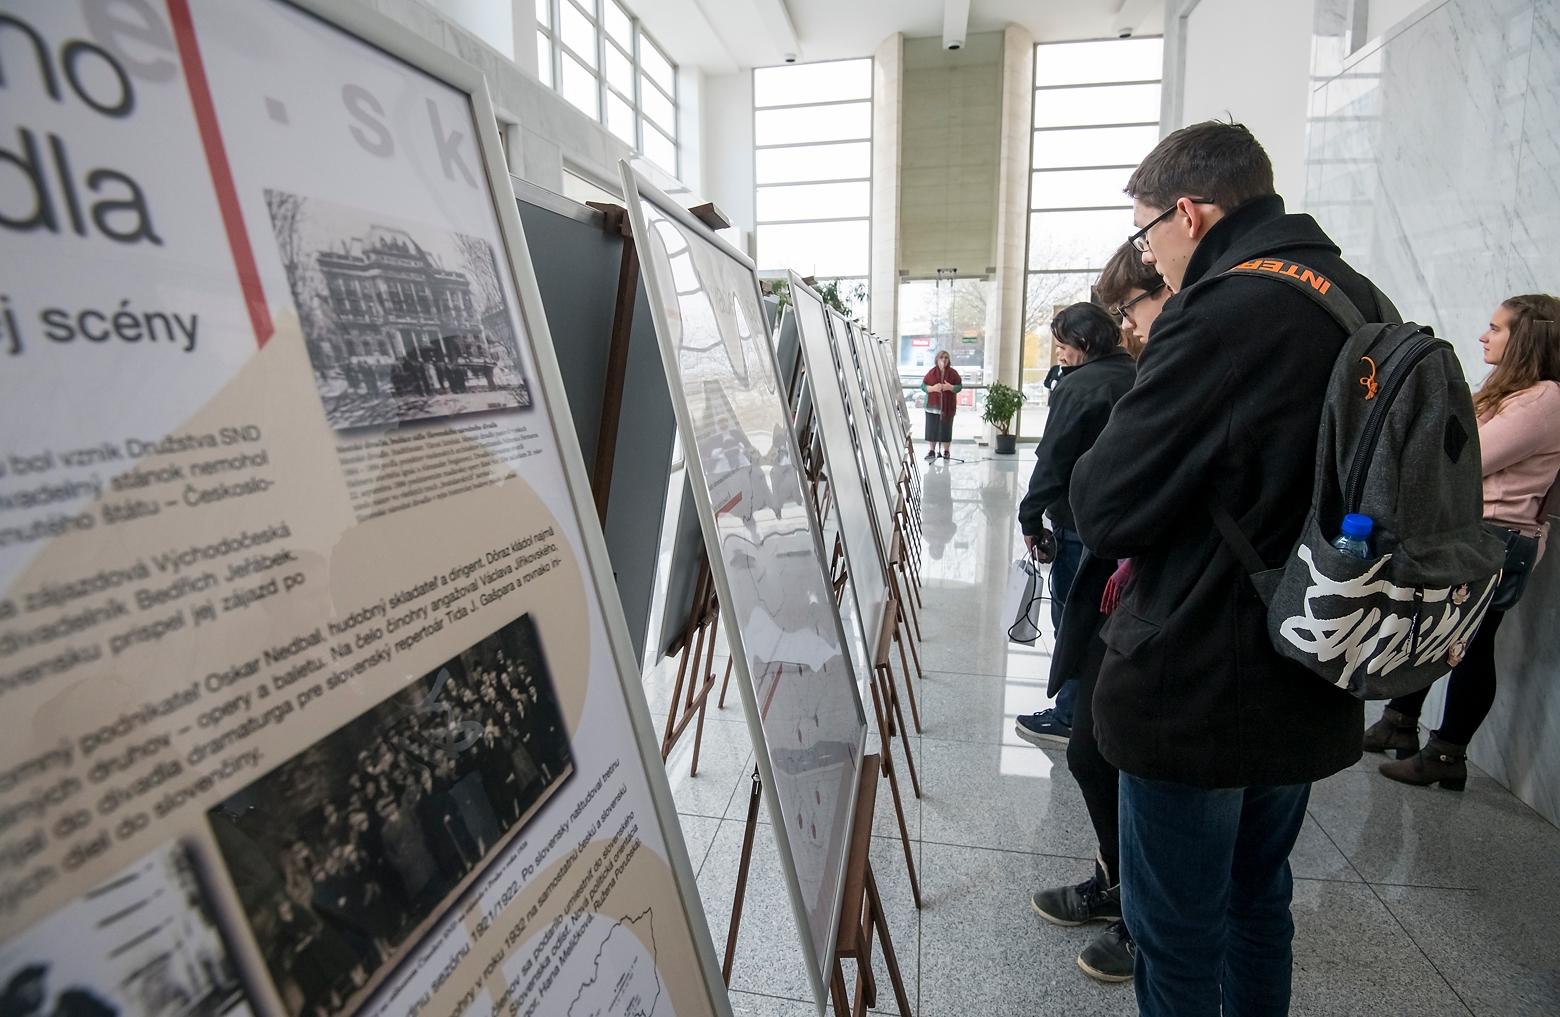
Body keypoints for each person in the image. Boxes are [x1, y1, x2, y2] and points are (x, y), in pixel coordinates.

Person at [1069, 120, 1394, 1015]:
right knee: (1261, 901)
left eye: (1147, 234)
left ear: (1190, 212)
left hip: (1200, 676)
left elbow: (1104, 505)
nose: (1150, 257)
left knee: (1175, 935)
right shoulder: (1358, 294)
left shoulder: (1219, 311)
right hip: (1311, 656)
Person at [1026, 242, 1170, 983]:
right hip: (1131, 586)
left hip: (1176, 612)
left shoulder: (1182, 368)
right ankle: (1121, 886)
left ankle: (1148, 921)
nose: (1132, 327)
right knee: (1095, 749)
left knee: (1131, 762)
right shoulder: (1146, 375)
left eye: (1133, 310)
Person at [1366, 294, 1560, 787]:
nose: (1483, 336)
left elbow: (1467, 460)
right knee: (1433, 627)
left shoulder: (1545, 399)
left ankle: (1447, 755)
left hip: (1497, 538)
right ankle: (1400, 722)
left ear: (1527, 339)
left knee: (1469, 645)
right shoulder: (1516, 392)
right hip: (1477, 532)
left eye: (1496, 329)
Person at [1015, 303, 1135, 747]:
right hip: (1125, 526)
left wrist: (1030, 516)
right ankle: (1097, 712)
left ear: (1083, 344)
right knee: (1108, 621)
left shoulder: (1080, 387)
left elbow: (1053, 460)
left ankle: (1070, 716)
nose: (1060, 354)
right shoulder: (1137, 375)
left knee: (1073, 622)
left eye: (1064, 346)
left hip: (1078, 525)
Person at [920, 350, 962, 460]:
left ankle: (946, 451)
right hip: (932, 407)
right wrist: (933, 388)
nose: (944, 359)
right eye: (941, 357)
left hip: (947, 407)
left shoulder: (953, 373)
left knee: (946, 428)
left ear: (948, 360)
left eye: (946, 357)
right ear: (937, 359)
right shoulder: (931, 372)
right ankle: (932, 450)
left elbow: (959, 387)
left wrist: (950, 387)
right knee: (931, 428)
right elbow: (923, 386)